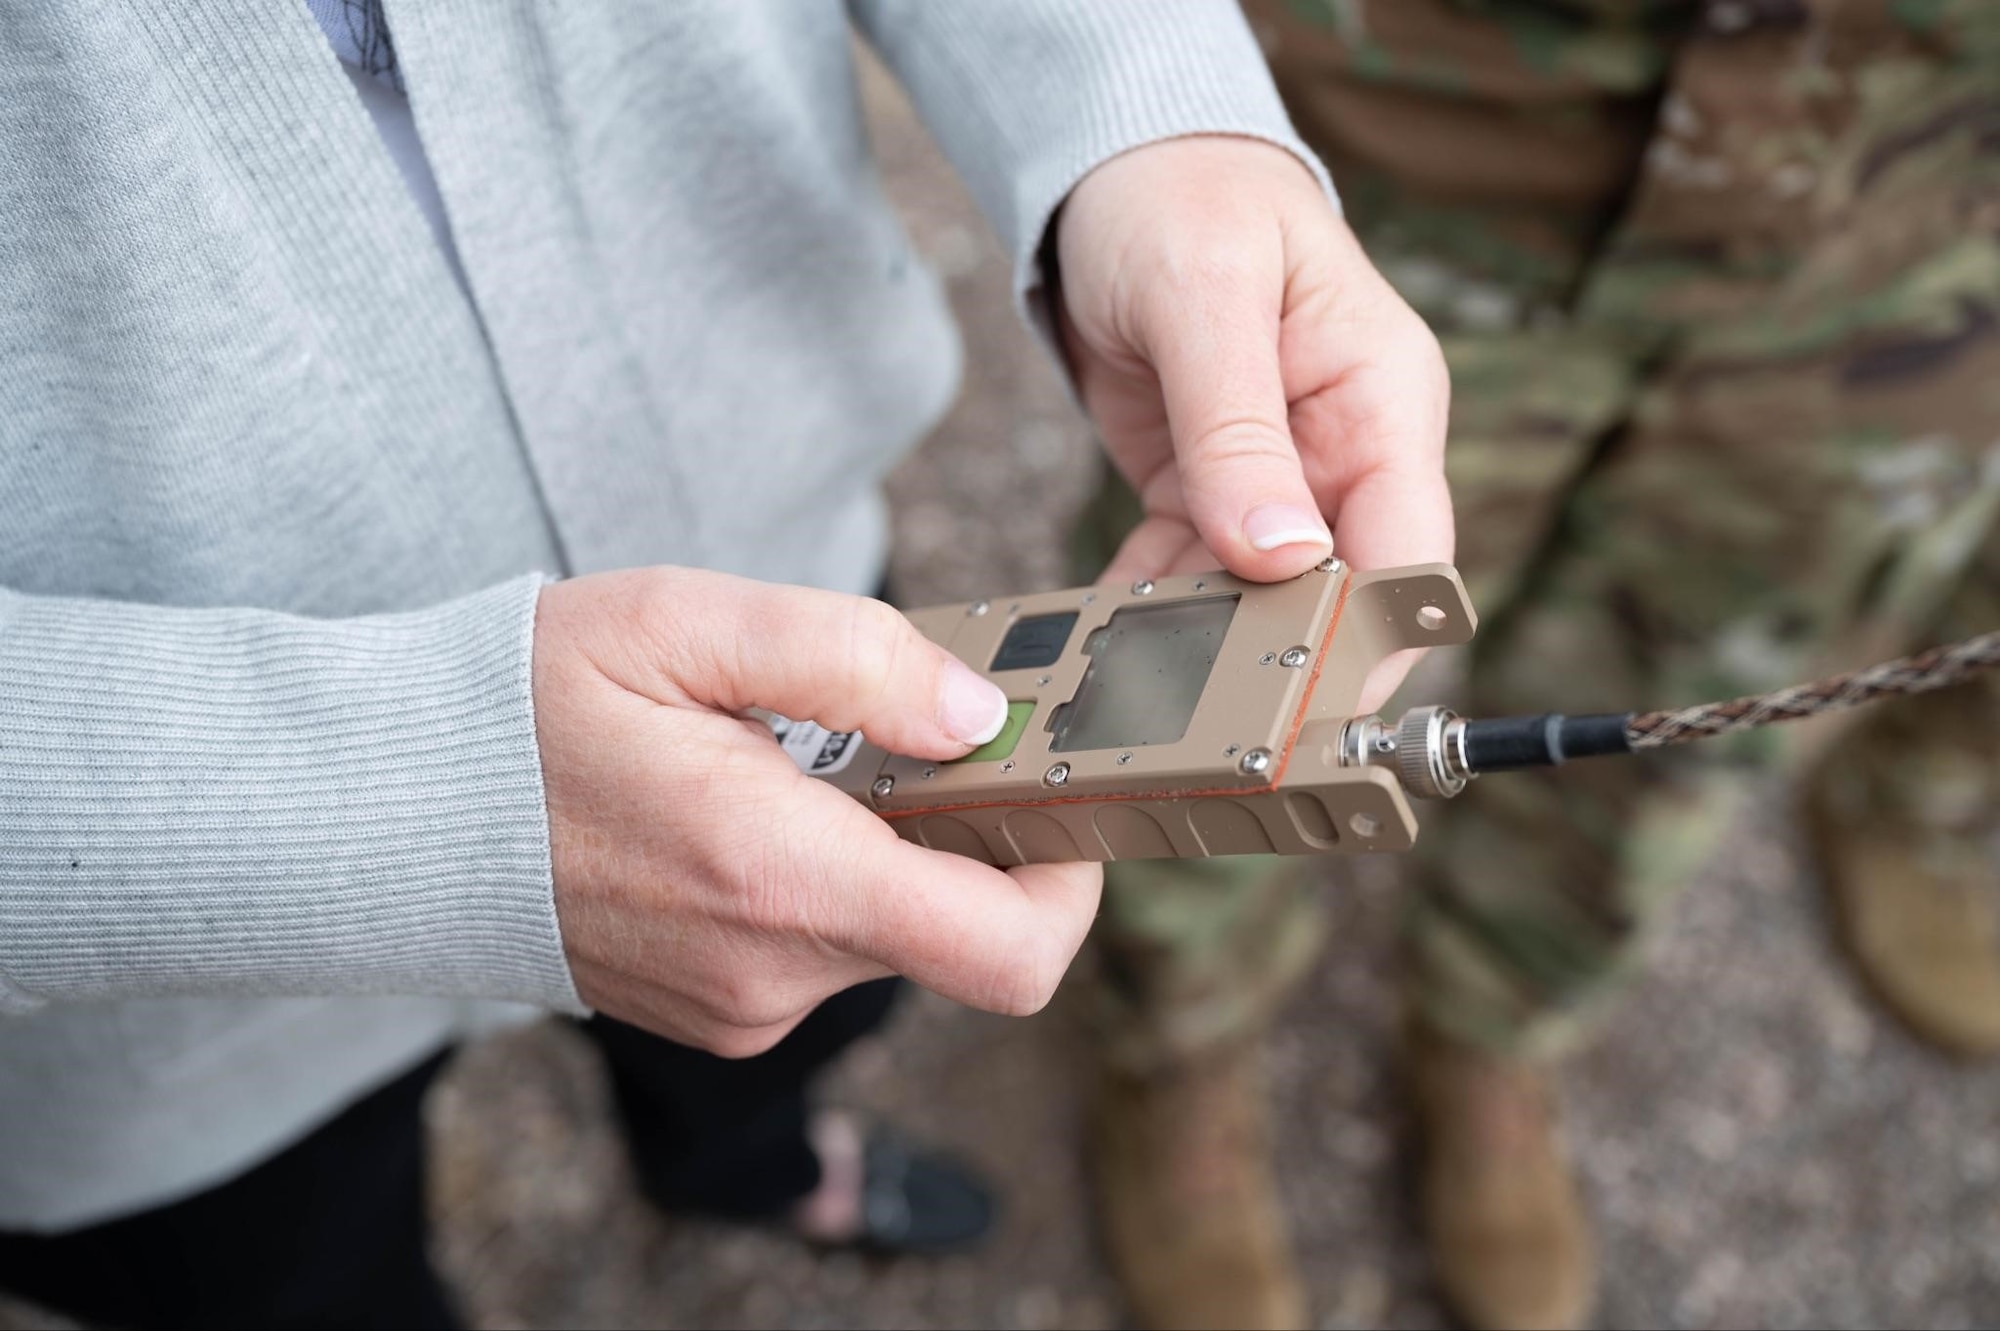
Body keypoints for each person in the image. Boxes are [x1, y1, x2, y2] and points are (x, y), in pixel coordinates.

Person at [0, 1, 1455, 1325]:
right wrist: (427, 813)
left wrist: (1148, 117)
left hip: (799, 626)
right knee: (286, 1281)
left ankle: (754, 1165)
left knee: (790, 1019)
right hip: (144, 974)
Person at [1084, 1, 2000, 1328]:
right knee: (1221, 676)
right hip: (1424, 146)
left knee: (1686, 691)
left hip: (1907, 206)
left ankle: (1496, 1022)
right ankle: (1174, 1041)